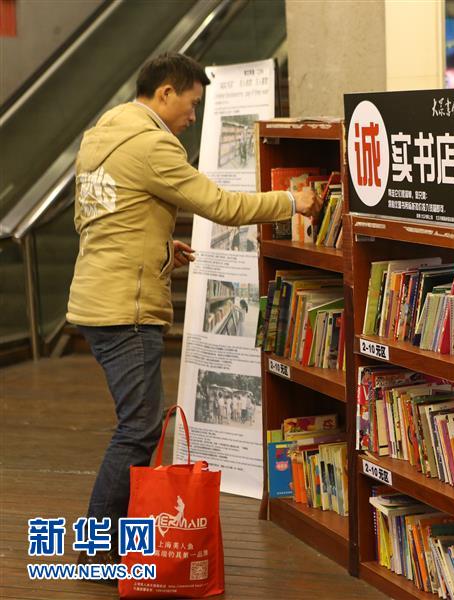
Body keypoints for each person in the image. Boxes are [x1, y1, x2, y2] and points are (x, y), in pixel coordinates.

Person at [66, 53, 321, 566]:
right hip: (125, 310)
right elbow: (222, 205)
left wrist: (160, 249)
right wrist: (292, 204)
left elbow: (96, 218)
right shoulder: (152, 143)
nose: (192, 117)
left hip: (95, 298)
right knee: (136, 430)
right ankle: (95, 551)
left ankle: (103, 546)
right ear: (164, 93)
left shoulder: (99, 135)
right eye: (190, 103)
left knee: (133, 425)